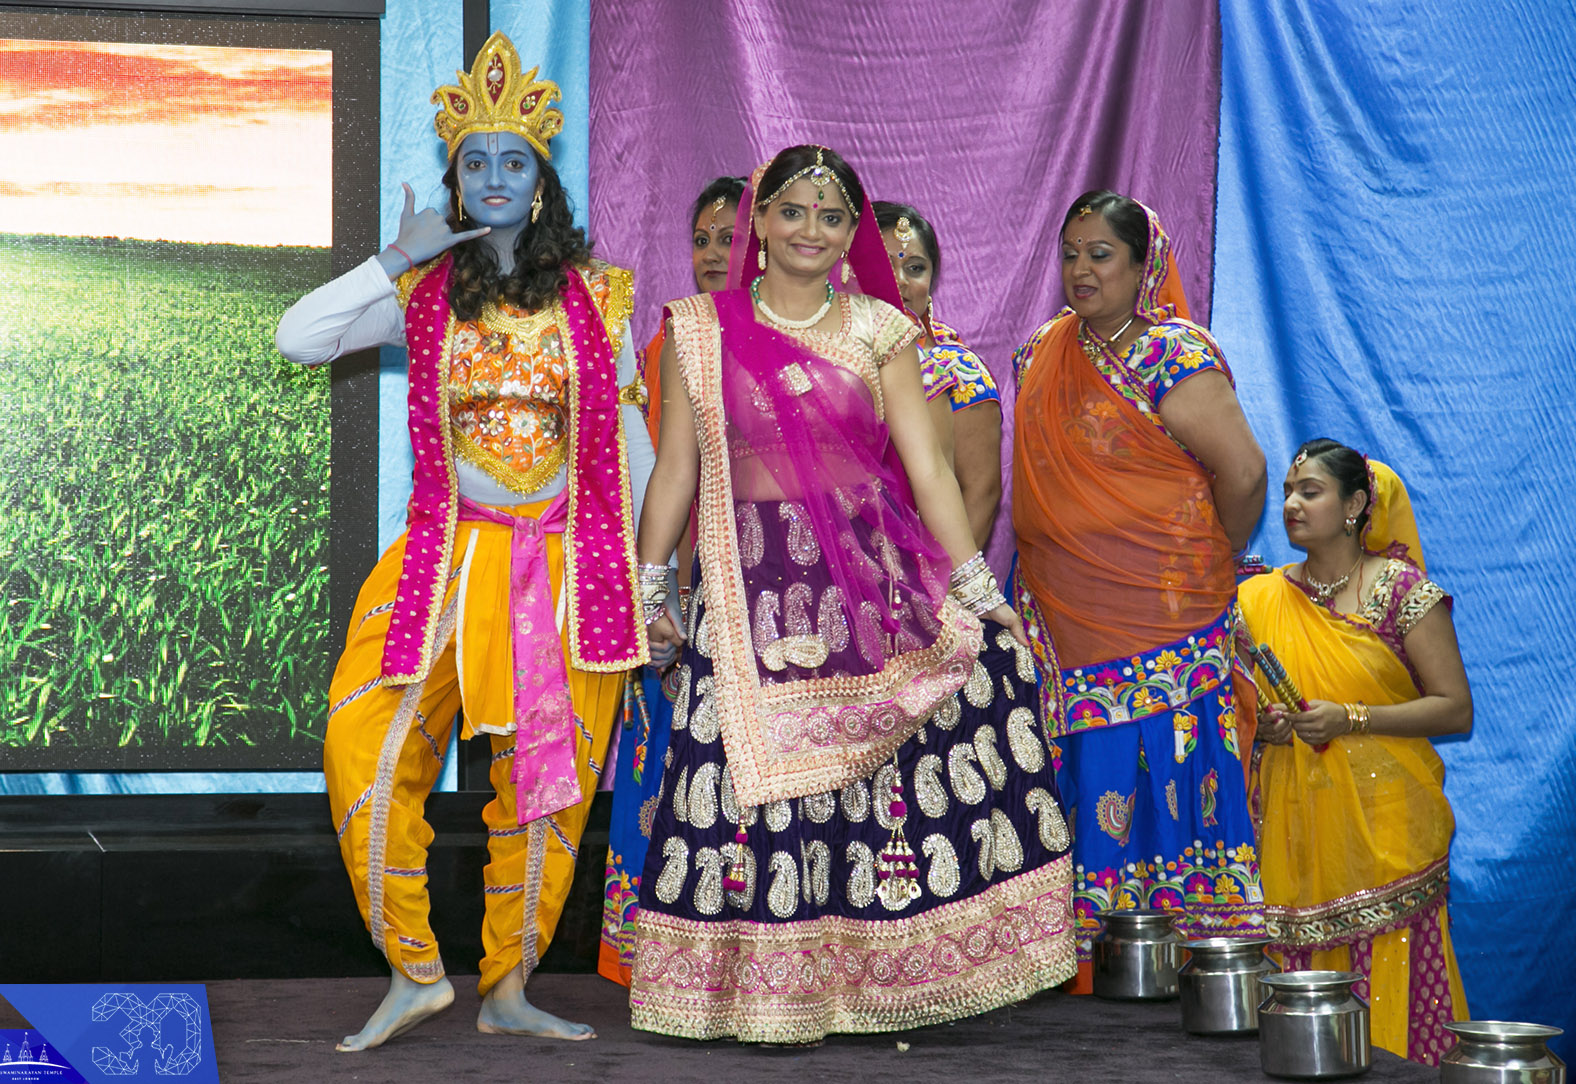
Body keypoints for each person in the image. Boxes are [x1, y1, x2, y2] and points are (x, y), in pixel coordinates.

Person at [626, 145, 1076, 1044]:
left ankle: (875, 981)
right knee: (744, 786)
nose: (810, 233)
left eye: (832, 219)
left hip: (867, 589)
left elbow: (929, 473)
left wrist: (980, 589)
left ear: (850, 234)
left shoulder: (882, 332)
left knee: (880, 775)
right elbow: (676, 469)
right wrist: (650, 587)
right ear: (757, 220)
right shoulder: (697, 330)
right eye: (792, 212)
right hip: (746, 591)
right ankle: (749, 993)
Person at [274, 32, 653, 1048]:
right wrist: (398, 253)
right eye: (474, 161)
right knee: (363, 747)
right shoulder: (423, 298)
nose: (493, 176)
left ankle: (509, 986)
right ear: (456, 181)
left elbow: (635, 445)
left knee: (543, 791)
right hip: (442, 558)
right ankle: (413, 968)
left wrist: (650, 580)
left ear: (541, 184)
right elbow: (298, 336)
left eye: (513, 161)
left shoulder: (601, 299)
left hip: (567, 572)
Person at [1010, 190, 1269, 990]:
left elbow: (1247, 471)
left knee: (1169, 759)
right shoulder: (1041, 351)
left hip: (1167, 612)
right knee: (1085, 765)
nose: (1082, 270)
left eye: (1101, 255)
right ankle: (1084, 961)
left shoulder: (1176, 354)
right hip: (1064, 616)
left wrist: (1207, 553)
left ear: (1142, 265)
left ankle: (1191, 957)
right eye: (1071, 253)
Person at [1238, 439, 1471, 1065]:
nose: (1290, 504)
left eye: (1309, 491)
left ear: (1355, 506)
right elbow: (1229, 713)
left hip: (1386, 832)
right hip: (1295, 837)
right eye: (1288, 491)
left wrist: (1352, 718)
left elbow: (1454, 707)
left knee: (1391, 972)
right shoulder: (1255, 600)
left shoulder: (1401, 592)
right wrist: (1263, 726)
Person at [599, 174, 745, 987]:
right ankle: (653, 955)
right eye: (702, 239)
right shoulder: (663, 344)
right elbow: (645, 477)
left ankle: (738, 956)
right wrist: (647, 596)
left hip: (755, 603)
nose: (715, 253)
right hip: (664, 599)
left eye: (731, 238)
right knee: (662, 769)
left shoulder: (780, 339)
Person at [874, 201, 1002, 547]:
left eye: (915, 268)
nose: (900, 282)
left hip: (926, 572)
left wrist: (949, 593)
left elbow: (981, 493)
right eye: (883, 266)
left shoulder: (959, 371)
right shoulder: (827, 357)